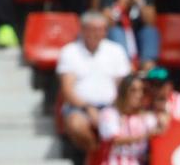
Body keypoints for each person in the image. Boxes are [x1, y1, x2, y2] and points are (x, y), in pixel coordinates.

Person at [55, 12, 132, 154]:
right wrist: (88, 108)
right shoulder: (70, 52)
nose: (97, 33)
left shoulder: (116, 51)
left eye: (101, 29)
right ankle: (97, 156)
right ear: (83, 30)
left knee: (128, 123)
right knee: (77, 125)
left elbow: (123, 86)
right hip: (79, 108)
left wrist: (115, 109)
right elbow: (67, 89)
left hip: (112, 106)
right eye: (93, 29)